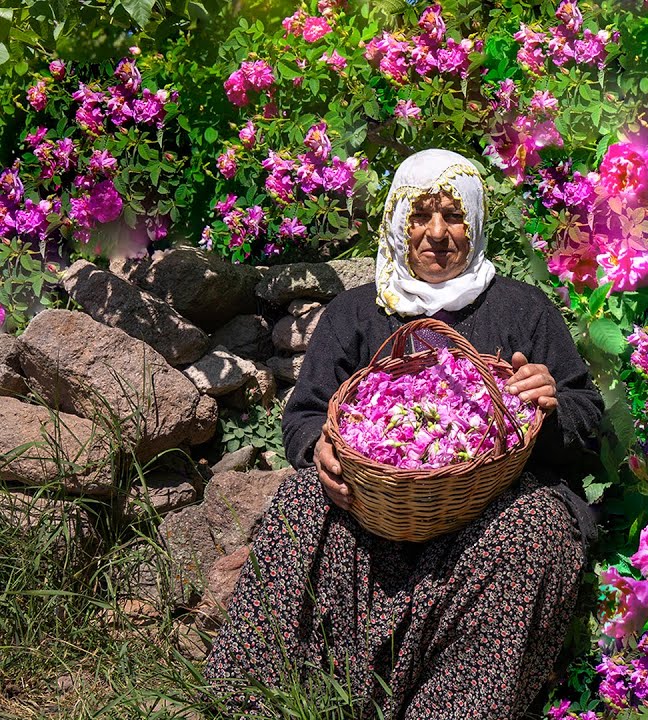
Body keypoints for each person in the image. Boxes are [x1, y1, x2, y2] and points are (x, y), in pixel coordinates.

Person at [203, 149, 604, 719]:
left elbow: (589, 420)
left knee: (537, 528)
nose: (437, 234)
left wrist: (552, 403)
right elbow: (304, 414)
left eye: (454, 216)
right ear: (397, 220)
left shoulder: (521, 310)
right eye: (420, 215)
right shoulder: (357, 313)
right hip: (377, 513)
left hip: (492, 514)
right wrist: (318, 447)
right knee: (298, 500)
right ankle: (258, 700)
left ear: (476, 221)